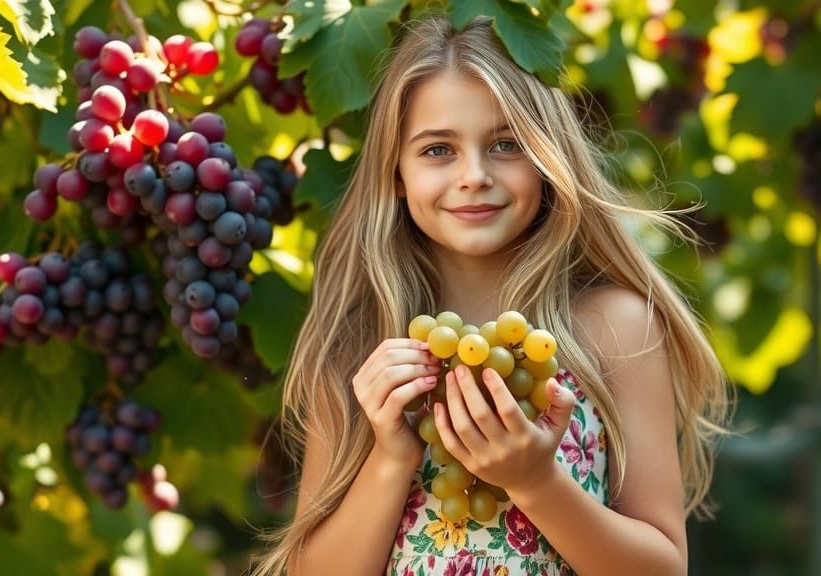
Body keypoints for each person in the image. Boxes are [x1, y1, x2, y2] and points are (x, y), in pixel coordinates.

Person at [252, 12, 731, 576]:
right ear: (396, 173)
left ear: (548, 158)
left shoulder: (615, 326)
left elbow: (663, 568)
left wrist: (536, 482)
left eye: (506, 144)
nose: (474, 175)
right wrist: (391, 457)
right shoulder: (359, 346)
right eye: (438, 150)